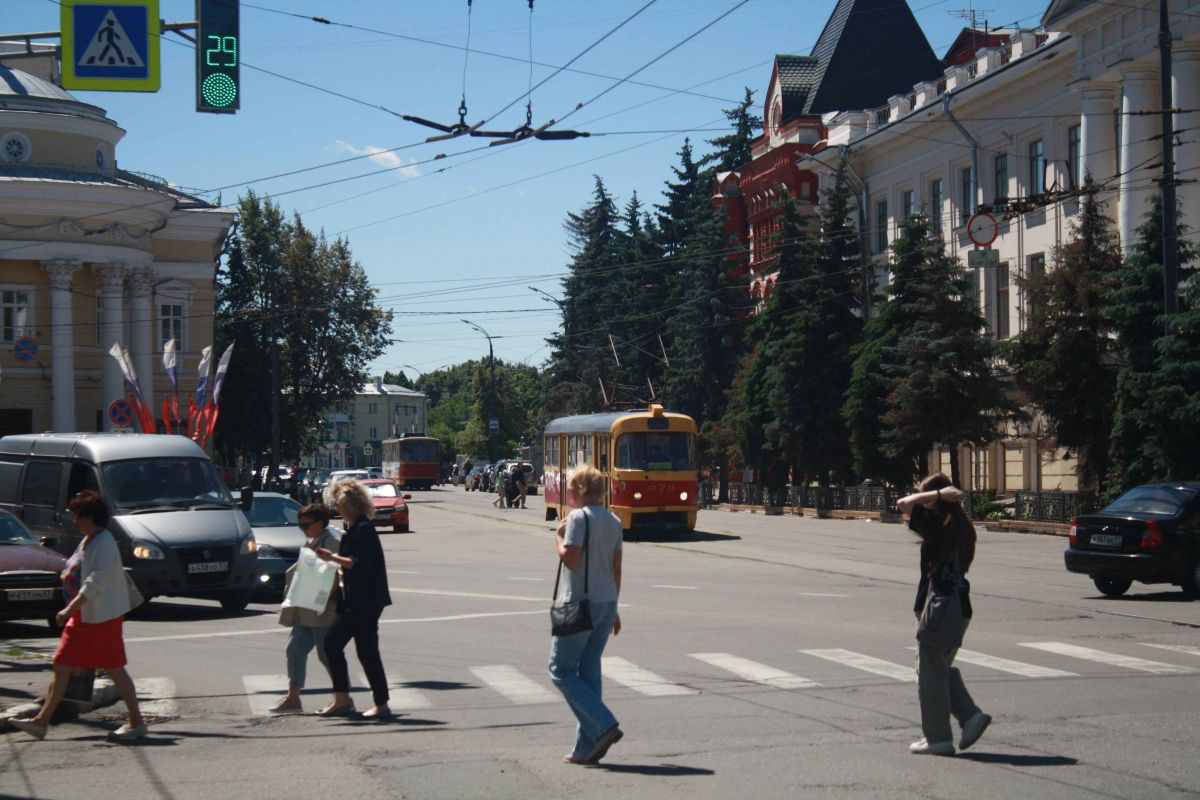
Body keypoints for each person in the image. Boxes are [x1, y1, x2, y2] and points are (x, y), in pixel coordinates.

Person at [10, 491, 146, 741]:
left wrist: (69, 608)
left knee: (114, 669)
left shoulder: (104, 542)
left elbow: (96, 581)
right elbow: (76, 567)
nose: (74, 521)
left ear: (90, 517)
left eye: (78, 516)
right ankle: (41, 722)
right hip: (83, 617)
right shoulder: (88, 540)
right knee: (61, 665)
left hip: (100, 618)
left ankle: (136, 722)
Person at [897, 473, 991, 756]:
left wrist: (936, 495)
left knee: (930, 676)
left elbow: (904, 503)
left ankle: (937, 739)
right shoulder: (961, 526)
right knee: (937, 670)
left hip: (939, 608)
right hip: (959, 607)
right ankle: (971, 717)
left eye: (926, 496)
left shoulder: (938, 522)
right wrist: (939, 496)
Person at [548, 464, 624, 765]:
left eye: (569, 489)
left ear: (580, 490)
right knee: (589, 670)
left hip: (579, 603)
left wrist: (558, 538)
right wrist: (615, 607)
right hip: (606, 603)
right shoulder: (614, 520)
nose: (567, 495)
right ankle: (586, 747)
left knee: (560, 670)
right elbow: (617, 568)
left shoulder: (578, 519)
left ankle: (604, 724)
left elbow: (571, 560)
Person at [315, 479, 392, 720]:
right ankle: (361, 701)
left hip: (364, 601)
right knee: (357, 649)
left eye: (340, 505)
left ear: (351, 505)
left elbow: (354, 563)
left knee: (340, 645)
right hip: (357, 600)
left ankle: (368, 703)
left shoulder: (363, 530)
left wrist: (330, 557)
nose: (338, 509)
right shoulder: (357, 527)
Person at [270, 503, 342, 714]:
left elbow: (333, 575)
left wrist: (322, 602)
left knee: (327, 655)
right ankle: (293, 698)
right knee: (295, 650)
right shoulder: (315, 539)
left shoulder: (331, 540)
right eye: (300, 525)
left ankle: (342, 697)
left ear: (320, 523)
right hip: (306, 606)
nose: (302, 529)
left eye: (306, 525)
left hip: (321, 609)